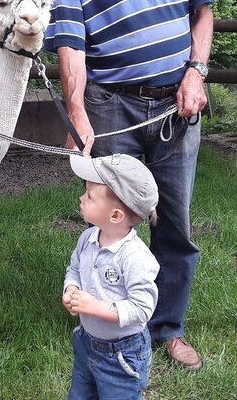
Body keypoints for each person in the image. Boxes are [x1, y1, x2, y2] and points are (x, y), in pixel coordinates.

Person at [44, 0, 214, 370]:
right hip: (109, 104)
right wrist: (76, 110)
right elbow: (71, 42)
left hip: (176, 105)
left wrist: (196, 73)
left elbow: (201, 13)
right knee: (112, 220)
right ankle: (107, 321)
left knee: (175, 220)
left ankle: (167, 327)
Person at [63, 153, 160, 400]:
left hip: (122, 355)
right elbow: (73, 269)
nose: (81, 198)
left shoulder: (135, 258)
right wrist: (71, 289)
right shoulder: (87, 239)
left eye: (90, 197)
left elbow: (141, 309)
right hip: (87, 344)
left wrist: (96, 307)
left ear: (115, 215)